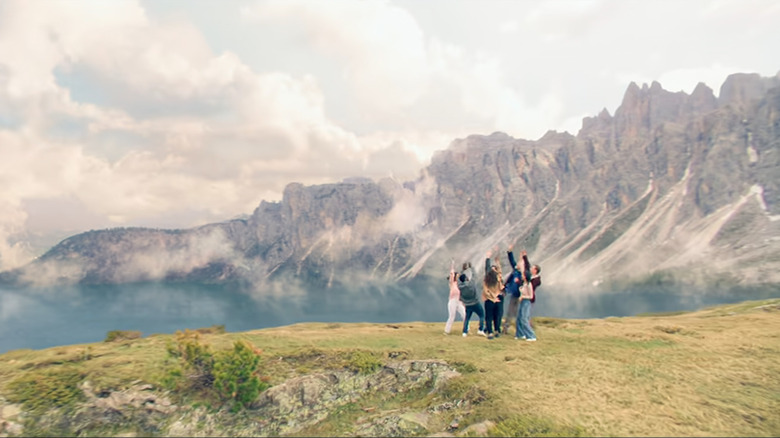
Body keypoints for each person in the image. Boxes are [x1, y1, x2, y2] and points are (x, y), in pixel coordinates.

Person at [517, 250, 542, 342]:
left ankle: (530, 335)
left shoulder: (535, 281)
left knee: (524, 317)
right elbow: (527, 267)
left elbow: (530, 292)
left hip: (528, 300)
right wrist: (524, 257)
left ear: (535, 270)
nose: (531, 269)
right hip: (525, 299)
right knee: (520, 317)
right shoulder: (530, 279)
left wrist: (523, 295)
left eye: (533, 268)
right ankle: (520, 334)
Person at [458, 264, 485, 337]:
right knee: (482, 315)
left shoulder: (460, 286)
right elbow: (474, 276)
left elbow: (459, 279)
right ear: (466, 279)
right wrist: (471, 267)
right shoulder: (471, 284)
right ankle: (480, 329)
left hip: (467, 304)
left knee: (467, 318)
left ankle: (464, 332)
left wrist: (462, 270)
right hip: (475, 303)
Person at [482, 250, 504, 339]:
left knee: (489, 316)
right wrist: (497, 261)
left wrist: (488, 257)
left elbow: (486, 291)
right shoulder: (498, 278)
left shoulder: (486, 280)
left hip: (490, 300)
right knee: (497, 315)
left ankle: (490, 332)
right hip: (498, 298)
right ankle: (497, 330)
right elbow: (499, 271)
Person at [502, 245, 523, 336]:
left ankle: (521, 329)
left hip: (521, 296)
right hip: (514, 294)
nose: (517, 265)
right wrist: (509, 251)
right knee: (511, 312)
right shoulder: (515, 270)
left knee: (518, 312)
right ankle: (506, 327)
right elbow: (512, 261)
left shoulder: (523, 274)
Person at [444, 259, 466, 335]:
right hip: (452, 301)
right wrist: (453, 264)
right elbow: (451, 274)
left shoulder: (458, 284)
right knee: (452, 316)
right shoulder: (452, 283)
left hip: (459, 301)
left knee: (464, 314)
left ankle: (466, 329)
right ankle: (447, 331)